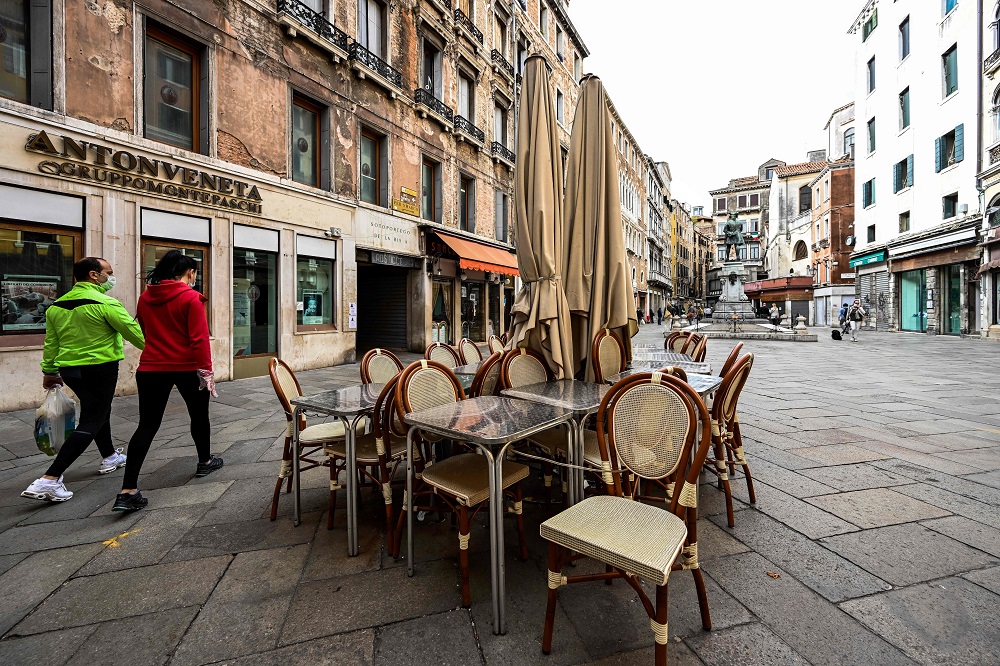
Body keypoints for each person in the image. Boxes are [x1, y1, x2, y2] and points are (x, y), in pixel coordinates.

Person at [21, 258, 145, 503]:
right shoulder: (106, 303)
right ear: (93, 275)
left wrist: (49, 371)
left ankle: (109, 455)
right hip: (100, 369)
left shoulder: (57, 306)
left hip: (70, 371)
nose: (111, 277)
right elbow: (136, 334)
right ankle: (50, 478)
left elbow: (51, 343)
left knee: (97, 409)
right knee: (93, 418)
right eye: (108, 272)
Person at [112, 251, 221, 511]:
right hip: (187, 368)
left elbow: (146, 332)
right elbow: (198, 338)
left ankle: (128, 490)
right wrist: (206, 371)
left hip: (151, 367)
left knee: (147, 426)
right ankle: (204, 462)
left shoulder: (146, 297)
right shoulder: (191, 298)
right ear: (190, 272)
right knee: (199, 416)